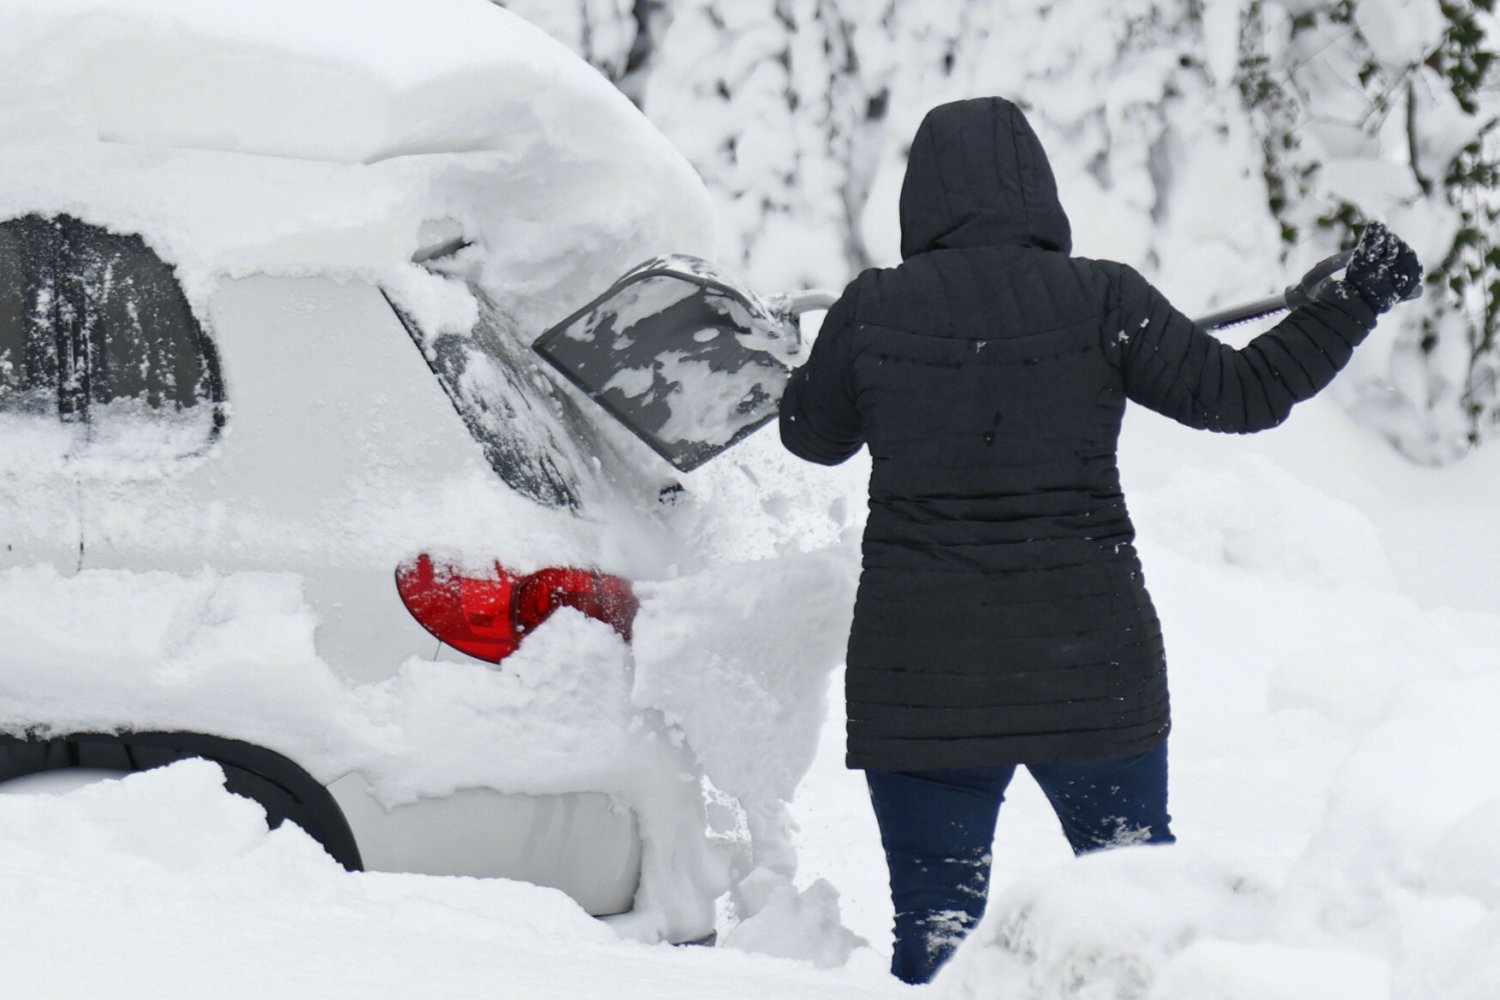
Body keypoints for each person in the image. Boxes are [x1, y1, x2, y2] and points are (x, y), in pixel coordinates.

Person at [778, 96, 1421, 985]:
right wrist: (1347, 303)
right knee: (1137, 931)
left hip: (923, 689)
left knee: (938, 936)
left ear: (920, 197)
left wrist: (799, 362)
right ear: (1037, 189)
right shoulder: (1100, 297)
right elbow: (1243, 394)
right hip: (1091, 675)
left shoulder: (872, 311)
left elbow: (811, 436)